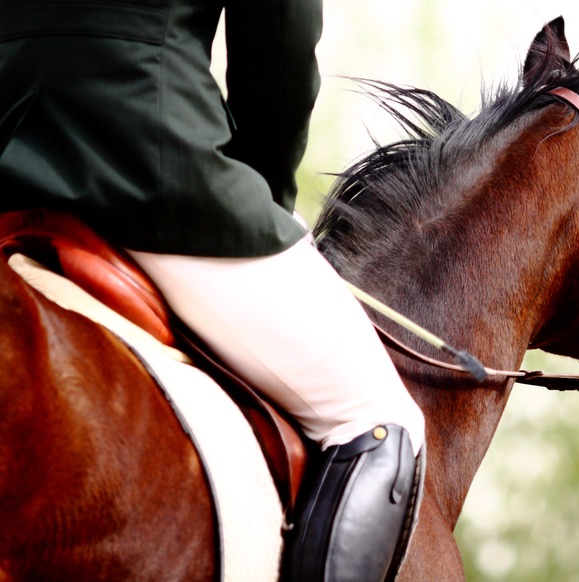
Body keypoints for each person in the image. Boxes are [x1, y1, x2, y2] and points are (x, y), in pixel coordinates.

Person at [0, 0, 426, 579]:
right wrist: (261, 203)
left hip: (9, 159)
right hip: (151, 163)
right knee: (375, 417)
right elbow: (279, 46)